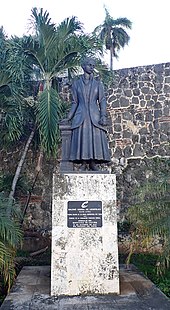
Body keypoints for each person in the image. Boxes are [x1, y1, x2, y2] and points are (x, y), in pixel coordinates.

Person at [64, 57, 111, 171]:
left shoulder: (98, 84)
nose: (92, 67)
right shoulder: (76, 84)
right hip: (81, 115)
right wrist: (68, 117)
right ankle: (84, 163)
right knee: (83, 138)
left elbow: (102, 100)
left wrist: (103, 116)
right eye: (90, 65)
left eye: (93, 66)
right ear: (83, 66)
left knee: (94, 139)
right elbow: (75, 102)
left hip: (94, 115)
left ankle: (93, 163)